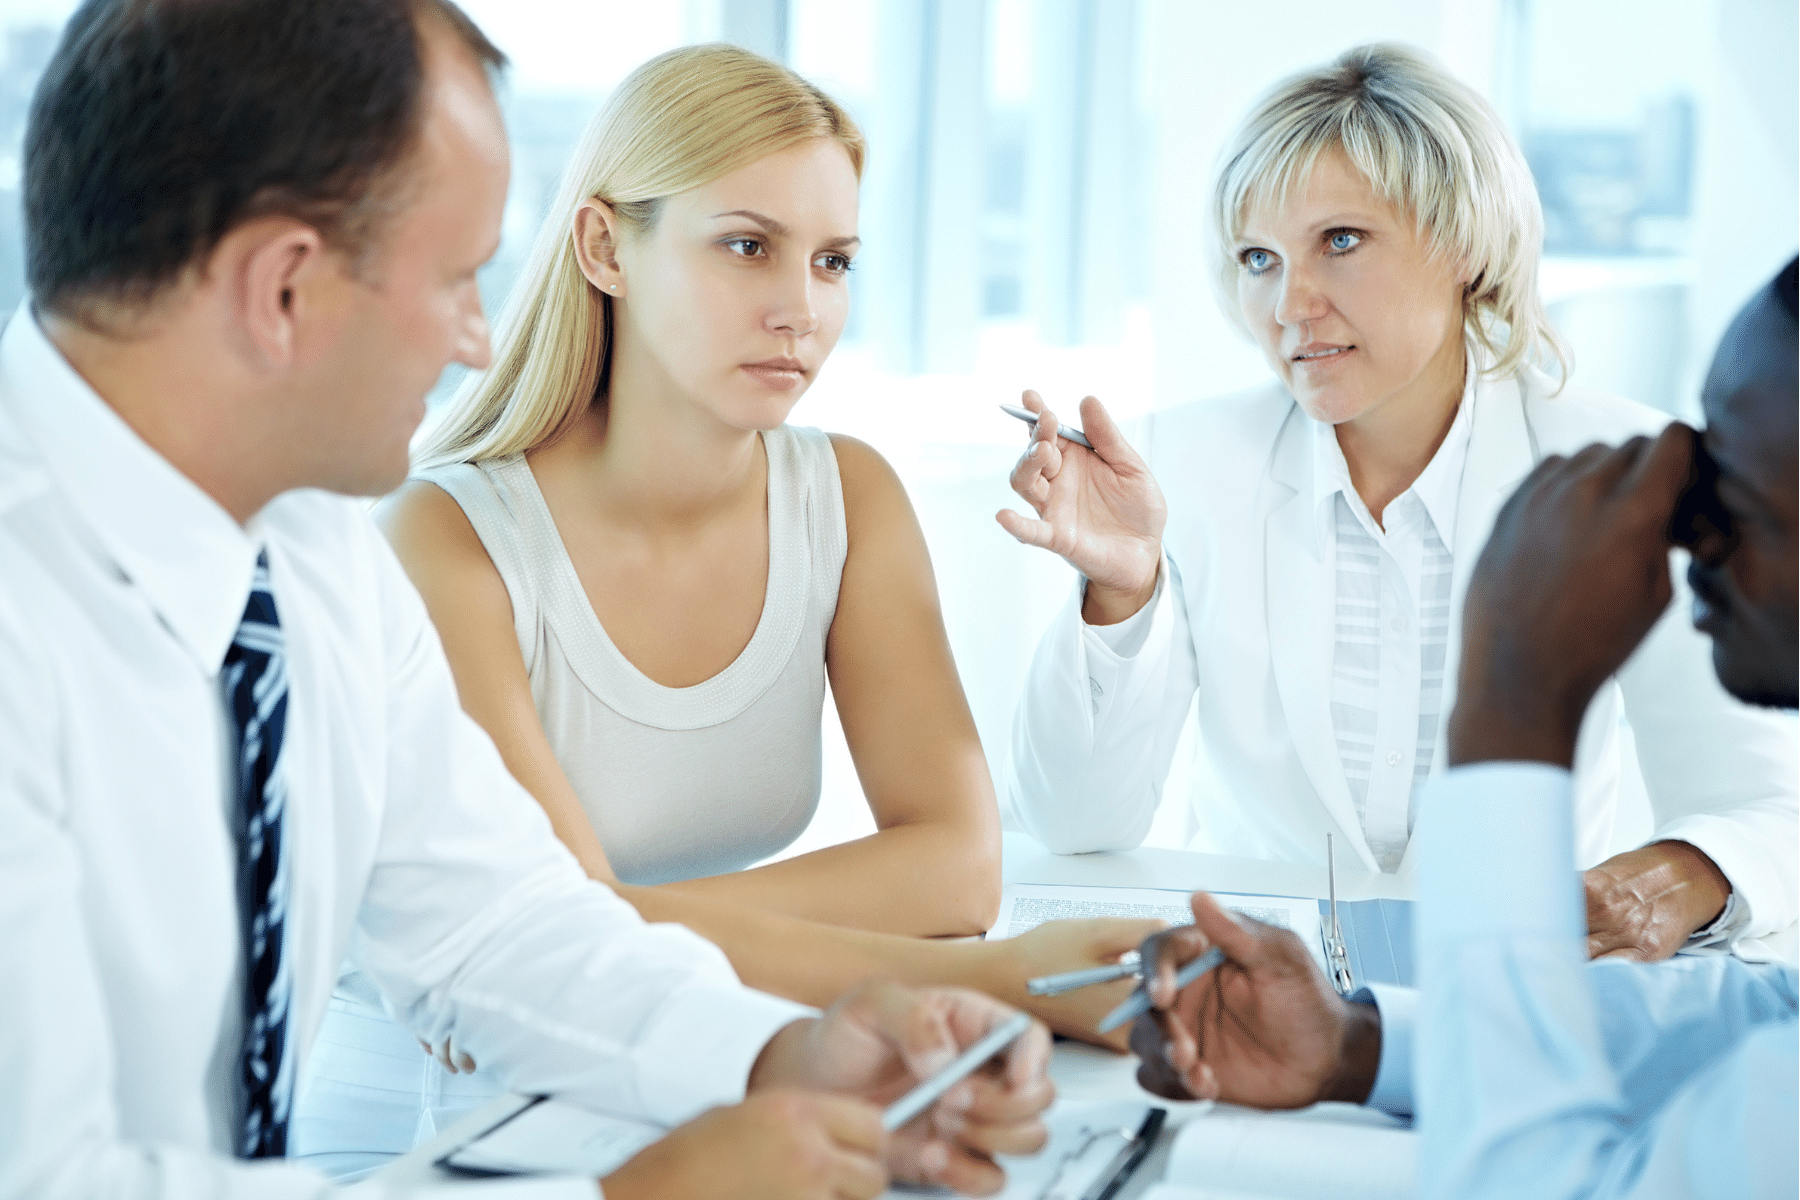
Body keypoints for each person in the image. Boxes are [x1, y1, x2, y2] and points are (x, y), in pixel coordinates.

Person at [0, 3, 1054, 1198]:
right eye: (455, 278)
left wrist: (786, 1053)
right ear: (283, 288)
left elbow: (498, 926)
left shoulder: (310, 555)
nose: (474, 336)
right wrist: (621, 1196)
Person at [296, 42, 1153, 1163]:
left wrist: (627, 919)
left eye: (835, 261)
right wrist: (1001, 977)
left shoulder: (848, 497)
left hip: (704, 1058)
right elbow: (540, 946)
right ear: (605, 247)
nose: (800, 309)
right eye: (748, 247)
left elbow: (958, 866)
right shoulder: (445, 539)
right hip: (435, 1125)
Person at [1001, 43, 1797, 960]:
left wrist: (1667, 878)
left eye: (1340, 242)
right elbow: (1069, 825)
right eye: (1259, 257)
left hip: (1517, 987)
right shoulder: (1181, 463)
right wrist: (1122, 595)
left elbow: (1766, 809)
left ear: (1462, 245)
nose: (1290, 305)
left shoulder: (1613, 470)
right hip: (1259, 989)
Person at [1128, 261, 1800, 1197]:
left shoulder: (1580, 442)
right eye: (1256, 257)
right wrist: (1361, 1042)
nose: (1698, 537)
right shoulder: (1192, 453)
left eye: (1746, 492)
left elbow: (1522, 1181)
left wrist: (1512, 703)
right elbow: (1761, 1015)